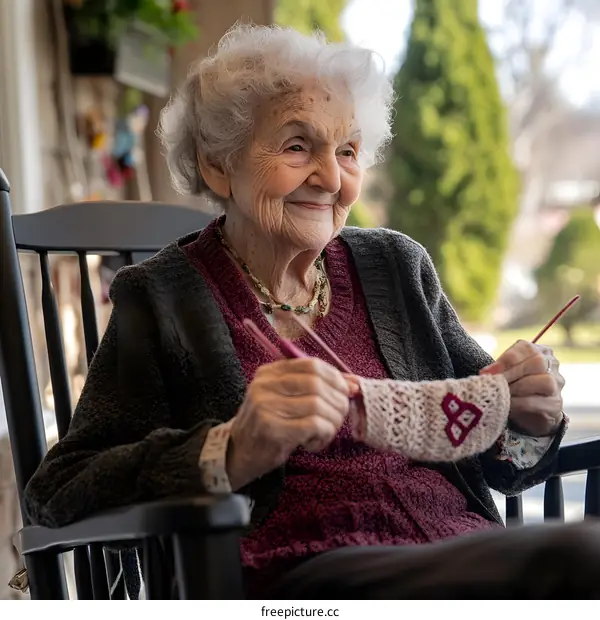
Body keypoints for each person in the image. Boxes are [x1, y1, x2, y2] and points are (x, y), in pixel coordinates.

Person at [23, 24, 600, 599]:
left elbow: (502, 460)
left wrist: (526, 419)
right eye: (298, 146)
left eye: (347, 151)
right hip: (304, 579)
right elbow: (58, 491)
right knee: (578, 558)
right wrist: (228, 449)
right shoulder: (163, 297)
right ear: (218, 164)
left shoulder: (398, 268)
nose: (331, 178)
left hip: (458, 551)